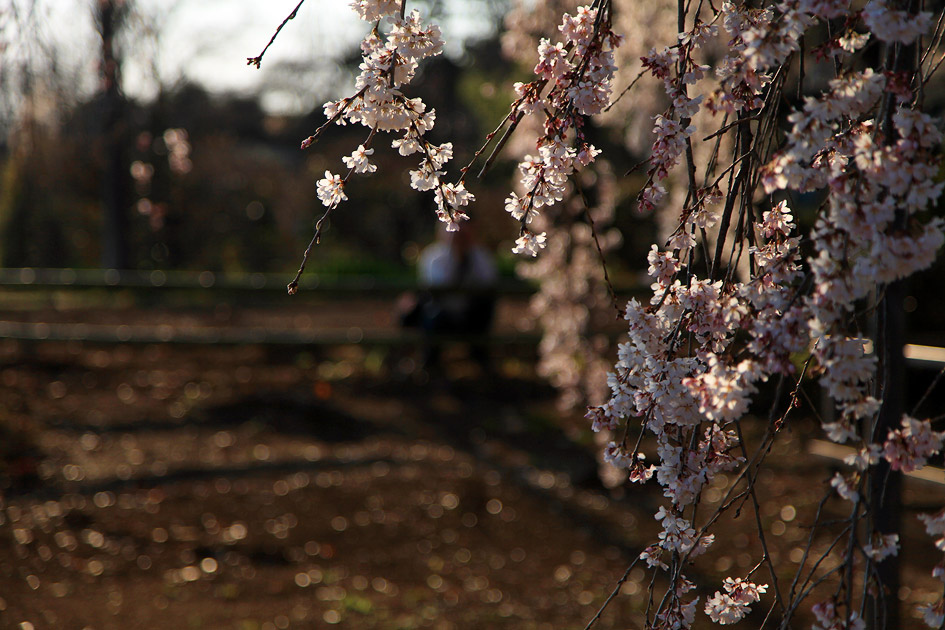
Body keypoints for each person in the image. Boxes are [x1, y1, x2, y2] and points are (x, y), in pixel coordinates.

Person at [400, 221, 498, 369]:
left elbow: (489, 284)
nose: (459, 237)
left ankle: (480, 359)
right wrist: (458, 259)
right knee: (432, 319)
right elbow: (436, 287)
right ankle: (430, 365)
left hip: (470, 314)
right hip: (442, 314)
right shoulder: (433, 257)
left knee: (484, 311)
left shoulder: (481, 257)